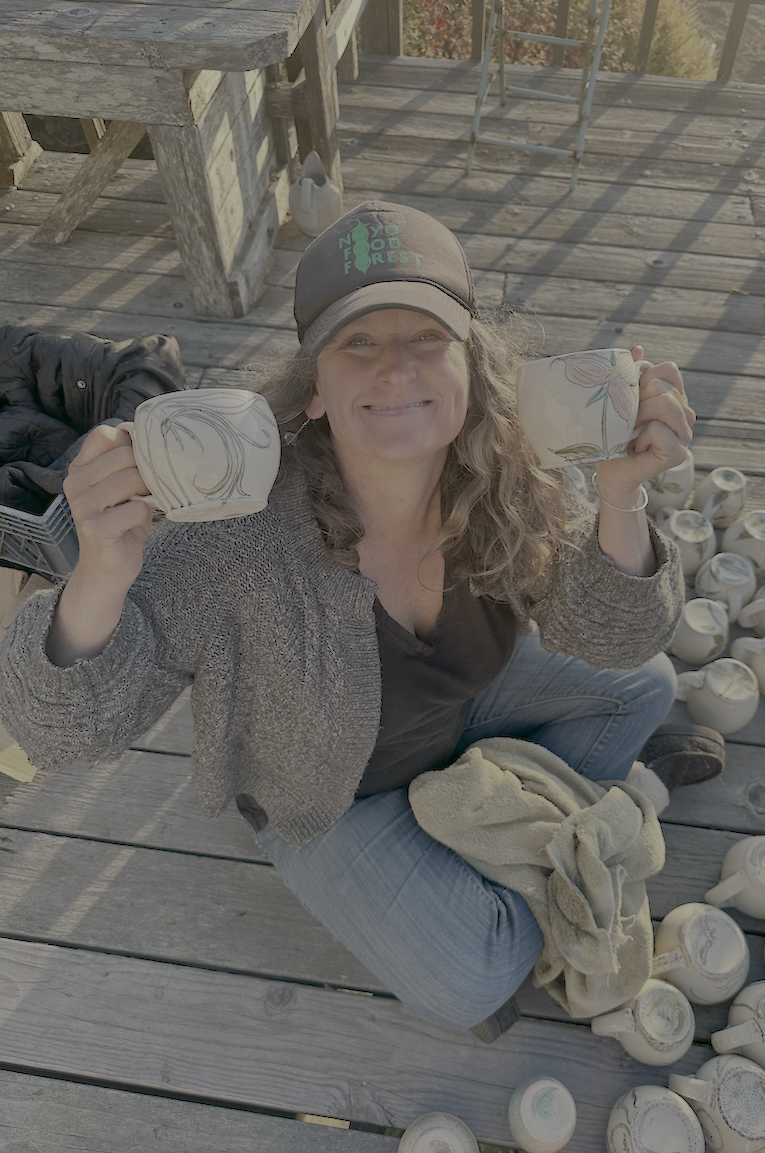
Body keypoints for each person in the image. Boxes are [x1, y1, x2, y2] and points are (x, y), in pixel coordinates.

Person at [0, 201, 718, 1040]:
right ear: (312, 391)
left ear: (471, 367)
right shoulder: (236, 536)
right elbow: (56, 729)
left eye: (427, 338)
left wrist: (622, 495)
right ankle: (515, 825)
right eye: (359, 342)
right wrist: (101, 572)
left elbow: (610, 632)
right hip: (334, 791)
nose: (397, 370)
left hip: (449, 710)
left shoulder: (504, 472)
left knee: (648, 682)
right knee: (481, 969)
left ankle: (492, 813)